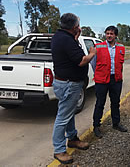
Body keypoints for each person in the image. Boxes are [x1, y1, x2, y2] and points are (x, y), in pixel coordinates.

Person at [51, 13, 97, 164]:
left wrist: (76, 37)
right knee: (63, 117)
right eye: (78, 24)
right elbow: (81, 61)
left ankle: (72, 139)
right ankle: (59, 150)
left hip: (64, 82)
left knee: (69, 113)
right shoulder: (66, 40)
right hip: (69, 84)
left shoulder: (61, 37)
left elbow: (70, 53)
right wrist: (92, 53)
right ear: (74, 26)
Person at [91, 25, 127, 138]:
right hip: (101, 80)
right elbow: (93, 63)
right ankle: (96, 126)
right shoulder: (98, 46)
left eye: (111, 34)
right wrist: (98, 74)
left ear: (115, 35)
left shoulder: (121, 48)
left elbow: (120, 64)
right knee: (100, 103)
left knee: (115, 102)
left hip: (116, 80)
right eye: (107, 33)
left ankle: (116, 123)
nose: (109, 36)